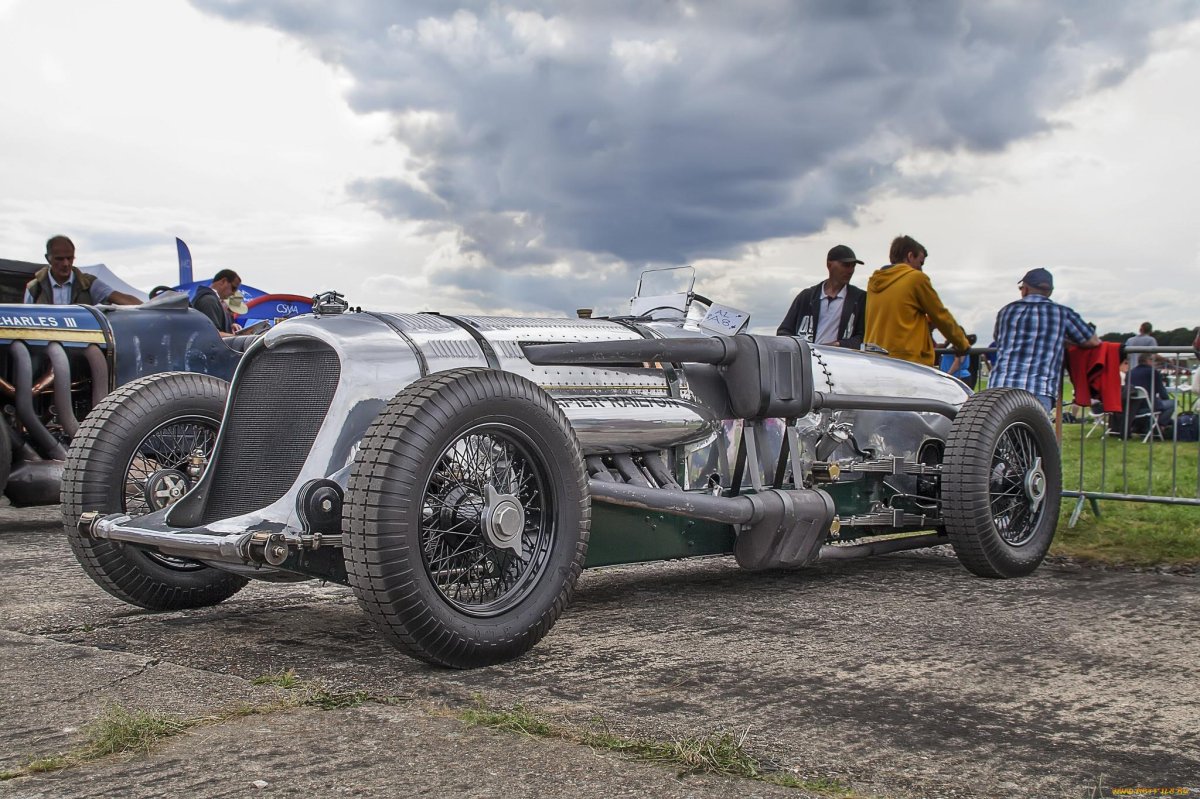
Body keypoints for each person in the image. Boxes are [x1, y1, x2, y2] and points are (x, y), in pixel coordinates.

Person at [989, 268, 1100, 413]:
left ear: (1025, 289)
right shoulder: (1061, 313)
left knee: (998, 433)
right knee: (1033, 434)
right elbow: (1092, 341)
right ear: (1050, 291)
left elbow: (998, 339)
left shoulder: (1006, 311)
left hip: (1001, 385)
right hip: (1039, 388)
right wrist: (1065, 341)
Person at [863, 235, 970, 366]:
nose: (921, 269)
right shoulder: (916, 279)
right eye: (920, 263)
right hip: (907, 362)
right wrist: (962, 343)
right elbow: (940, 315)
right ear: (910, 256)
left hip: (876, 359)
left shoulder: (874, 282)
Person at [776, 244, 866, 348]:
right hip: (808, 360)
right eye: (845, 265)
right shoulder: (807, 297)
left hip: (840, 360)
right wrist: (800, 348)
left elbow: (863, 336)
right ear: (829, 265)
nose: (850, 270)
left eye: (853, 266)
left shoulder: (859, 299)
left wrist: (838, 345)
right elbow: (784, 331)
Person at [24, 235, 142, 306]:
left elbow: (120, 298)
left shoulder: (88, 284)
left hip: (82, 343)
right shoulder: (34, 288)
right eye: (59, 259)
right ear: (47, 258)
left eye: (70, 258)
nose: (66, 263)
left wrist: (150, 307)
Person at [1128, 353, 1175, 428]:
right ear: (1148, 360)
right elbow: (1162, 393)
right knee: (1173, 403)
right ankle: (1160, 426)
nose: (1155, 363)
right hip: (1148, 405)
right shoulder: (1153, 372)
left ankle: (1148, 426)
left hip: (1132, 407)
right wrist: (1165, 399)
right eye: (1154, 361)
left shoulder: (1130, 372)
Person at [192, 269, 242, 337]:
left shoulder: (212, 300)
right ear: (223, 281)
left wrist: (230, 326)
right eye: (233, 288)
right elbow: (212, 334)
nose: (233, 293)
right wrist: (238, 337)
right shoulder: (209, 301)